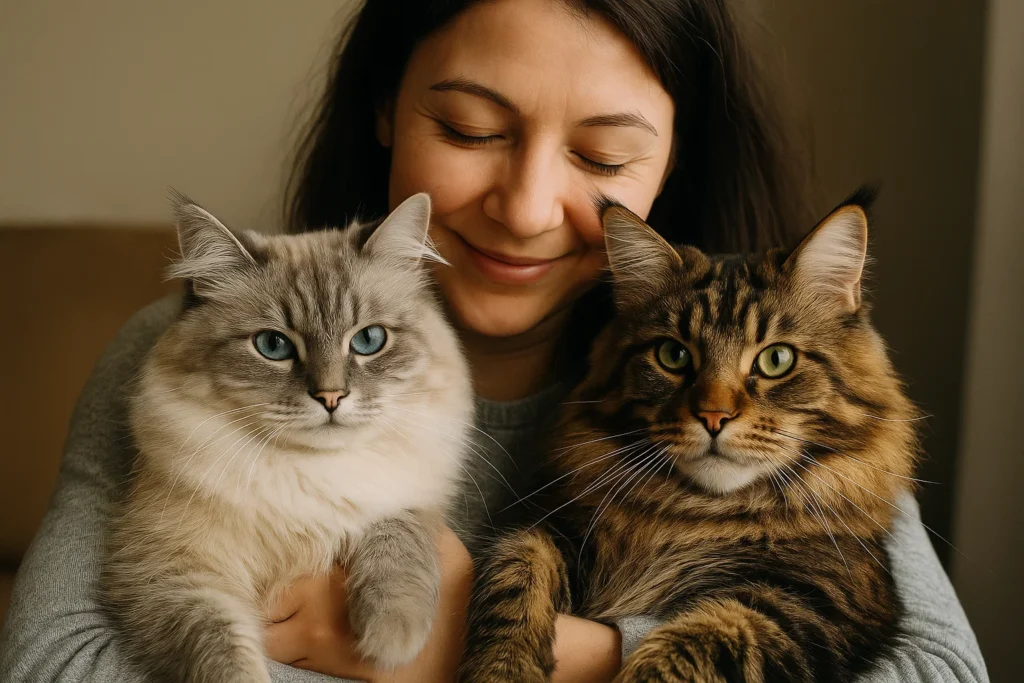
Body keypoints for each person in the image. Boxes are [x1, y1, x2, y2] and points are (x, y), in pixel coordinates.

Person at [0, 1, 988, 681]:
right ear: (385, 107)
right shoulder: (192, 356)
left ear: (673, 157)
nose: (522, 208)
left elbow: (940, 667)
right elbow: (51, 662)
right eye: (470, 128)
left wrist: (547, 651)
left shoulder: (776, 397)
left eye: (601, 155)